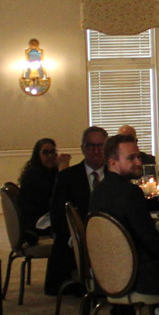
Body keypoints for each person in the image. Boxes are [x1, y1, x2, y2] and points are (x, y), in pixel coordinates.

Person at [88, 133, 159, 315]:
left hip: (106, 275)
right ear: (113, 163)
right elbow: (150, 239)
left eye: (138, 156)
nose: (139, 162)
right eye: (131, 158)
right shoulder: (129, 193)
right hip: (136, 276)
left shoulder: (98, 192)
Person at [45, 126, 108, 295]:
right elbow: (57, 215)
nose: (96, 151)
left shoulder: (116, 175)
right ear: (82, 149)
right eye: (90, 146)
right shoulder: (67, 177)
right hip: (76, 239)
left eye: (100, 146)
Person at [15, 137, 58, 244]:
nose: (50, 156)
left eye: (53, 152)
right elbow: (54, 199)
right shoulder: (32, 175)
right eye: (45, 153)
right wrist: (63, 171)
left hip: (48, 215)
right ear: (38, 155)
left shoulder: (52, 172)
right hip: (37, 221)